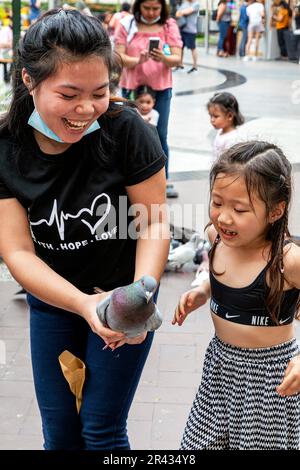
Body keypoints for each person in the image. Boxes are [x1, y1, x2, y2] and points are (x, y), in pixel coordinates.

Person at [0, 9, 170, 450]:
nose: (86, 109)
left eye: (100, 92)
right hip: (55, 302)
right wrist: (81, 304)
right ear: (28, 80)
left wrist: (137, 297)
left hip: (124, 299)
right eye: (69, 94)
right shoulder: (6, 147)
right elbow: (17, 252)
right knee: (59, 435)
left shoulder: (127, 130)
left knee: (101, 431)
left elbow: (152, 223)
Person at [173, 141, 300, 450]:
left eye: (239, 209)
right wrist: (203, 291)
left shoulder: (286, 260)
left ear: (275, 211)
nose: (224, 217)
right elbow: (222, 277)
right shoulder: (217, 238)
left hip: (269, 380)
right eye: (217, 202)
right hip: (220, 367)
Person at [114, 0, 183, 198]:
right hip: (132, 89)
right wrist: (138, 60)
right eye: (147, 8)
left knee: (160, 135)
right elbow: (119, 57)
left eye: (156, 8)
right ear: (138, 6)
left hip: (160, 89)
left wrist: (162, 57)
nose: (151, 12)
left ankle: (164, 180)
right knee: (128, 134)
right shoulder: (127, 24)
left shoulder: (169, 25)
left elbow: (177, 58)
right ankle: (127, 179)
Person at [207, 92, 244, 160]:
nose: (212, 120)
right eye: (210, 116)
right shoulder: (221, 131)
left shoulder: (233, 139)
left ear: (229, 116)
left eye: (216, 116)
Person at [175, 0, 200, 73]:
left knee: (193, 48)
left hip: (191, 30)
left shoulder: (196, 4)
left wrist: (182, 12)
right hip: (182, 28)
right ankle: (180, 65)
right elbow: (177, 14)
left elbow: (187, 11)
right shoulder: (184, 3)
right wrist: (181, 12)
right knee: (180, 47)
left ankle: (195, 67)